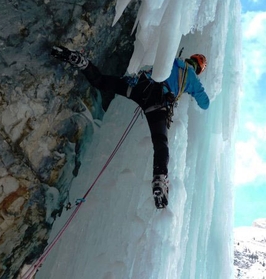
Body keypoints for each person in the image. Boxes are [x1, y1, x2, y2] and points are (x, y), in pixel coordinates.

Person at [51, 46, 210, 209]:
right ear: (198, 69)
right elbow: (205, 103)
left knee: (102, 82)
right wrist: (193, 88)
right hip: (156, 103)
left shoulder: (172, 60)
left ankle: (81, 62)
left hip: (139, 87)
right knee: (160, 142)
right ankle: (159, 179)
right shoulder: (192, 78)